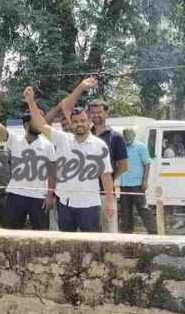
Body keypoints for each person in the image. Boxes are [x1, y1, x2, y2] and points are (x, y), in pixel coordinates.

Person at [24, 86, 116, 232]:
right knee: (66, 245)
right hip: (65, 204)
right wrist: (30, 102)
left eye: (82, 121)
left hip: (89, 205)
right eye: (75, 121)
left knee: (90, 244)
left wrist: (111, 203)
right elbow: (41, 125)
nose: (79, 124)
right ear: (71, 124)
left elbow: (106, 176)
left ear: (89, 122)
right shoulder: (62, 139)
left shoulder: (100, 146)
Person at [0, 88, 55, 230]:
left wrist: (50, 195)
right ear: (26, 125)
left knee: (41, 233)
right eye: (36, 120)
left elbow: (51, 172)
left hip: (39, 197)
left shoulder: (48, 145)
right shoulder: (14, 140)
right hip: (15, 194)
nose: (41, 123)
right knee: (12, 233)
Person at [119, 128, 156, 233]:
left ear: (134, 136)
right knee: (125, 212)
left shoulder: (141, 147)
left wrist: (145, 181)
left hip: (137, 185)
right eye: (125, 137)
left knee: (143, 210)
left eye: (129, 137)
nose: (127, 139)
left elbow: (147, 164)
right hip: (124, 185)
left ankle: (153, 233)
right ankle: (127, 234)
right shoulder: (122, 147)